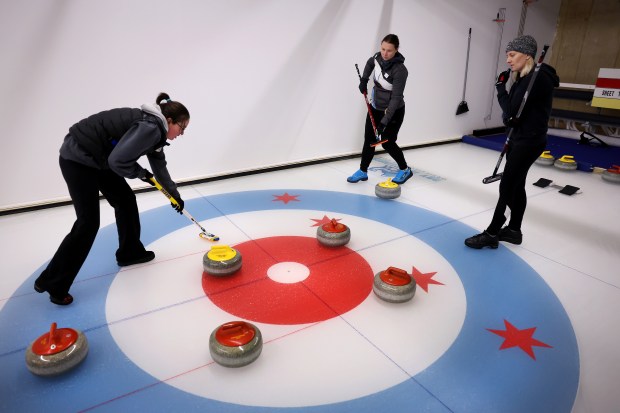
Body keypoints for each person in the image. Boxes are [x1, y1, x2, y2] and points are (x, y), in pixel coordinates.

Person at [34, 92, 189, 305]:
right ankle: (53, 282)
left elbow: (159, 167)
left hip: (99, 159)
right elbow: (118, 161)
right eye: (182, 127)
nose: (182, 133)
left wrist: (175, 195)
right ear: (169, 121)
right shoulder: (151, 128)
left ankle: (130, 252)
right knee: (87, 223)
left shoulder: (156, 132)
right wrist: (141, 173)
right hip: (78, 158)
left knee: (125, 199)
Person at [465, 35, 559, 249]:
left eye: (512, 55)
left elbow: (510, 111)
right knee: (517, 185)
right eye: (507, 55)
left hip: (529, 141)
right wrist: (505, 93)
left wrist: (500, 89)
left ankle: (492, 232)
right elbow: (511, 114)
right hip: (519, 138)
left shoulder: (538, 79)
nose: (508, 60)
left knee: (508, 185)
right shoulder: (523, 78)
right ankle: (514, 231)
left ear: (527, 56)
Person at [348, 34, 412, 185]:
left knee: (387, 142)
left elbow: (396, 99)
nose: (385, 53)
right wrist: (364, 79)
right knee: (369, 141)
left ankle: (405, 169)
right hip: (375, 106)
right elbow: (370, 63)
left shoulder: (400, 70)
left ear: (396, 50)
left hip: (393, 111)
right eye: (383, 49)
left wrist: (384, 122)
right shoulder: (377, 58)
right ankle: (363, 171)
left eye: (389, 50)